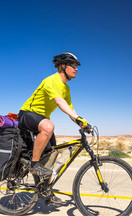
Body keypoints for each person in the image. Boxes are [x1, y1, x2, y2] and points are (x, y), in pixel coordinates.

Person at [18, 52, 88, 203]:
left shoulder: (66, 89)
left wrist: (81, 123)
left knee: (51, 155)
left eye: (77, 66)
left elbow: (70, 108)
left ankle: (44, 191)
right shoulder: (51, 80)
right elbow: (59, 103)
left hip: (40, 120)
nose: (76, 69)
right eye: (73, 66)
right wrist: (76, 118)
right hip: (27, 114)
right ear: (63, 66)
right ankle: (34, 164)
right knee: (49, 127)